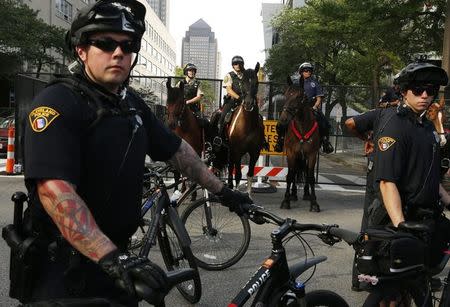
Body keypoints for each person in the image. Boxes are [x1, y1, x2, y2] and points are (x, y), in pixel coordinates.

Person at [16, 1, 250, 306]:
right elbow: (55, 193)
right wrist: (111, 257)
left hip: (119, 264)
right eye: (104, 42)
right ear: (81, 50)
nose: (118, 52)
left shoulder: (130, 104)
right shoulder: (57, 104)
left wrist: (225, 192)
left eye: (127, 45)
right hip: (64, 272)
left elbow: (179, 151)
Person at [373, 61, 450, 267]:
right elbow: (387, 182)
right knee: (392, 293)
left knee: (422, 281)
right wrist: (401, 226)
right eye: (418, 90)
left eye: (430, 90)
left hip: (426, 218)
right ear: (405, 91)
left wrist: (447, 198)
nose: (425, 95)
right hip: (399, 218)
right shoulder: (395, 125)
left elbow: (428, 174)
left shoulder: (426, 126)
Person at [274, 62, 334, 153]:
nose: (308, 72)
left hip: (311, 108)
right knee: (281, 123)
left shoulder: (315, 83)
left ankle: (326, 142)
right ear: (301, 72)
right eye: (306, 70)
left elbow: (319, 99)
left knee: (325, 123)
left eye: (309, 71)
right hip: (295, 109)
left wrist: (314, 107)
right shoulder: (295, 83)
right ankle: (280, 140)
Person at [216, 55, 246, 143]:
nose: (238, 65)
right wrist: (239, 98)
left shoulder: (246, 75)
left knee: (257, 116)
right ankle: (219, 138)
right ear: (233, 65)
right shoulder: (229, 75)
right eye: (235, 64)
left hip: (245, 102)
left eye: (240, 63)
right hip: (232, 101)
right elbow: (229, 89)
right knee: (223, 116)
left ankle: (262, 140)